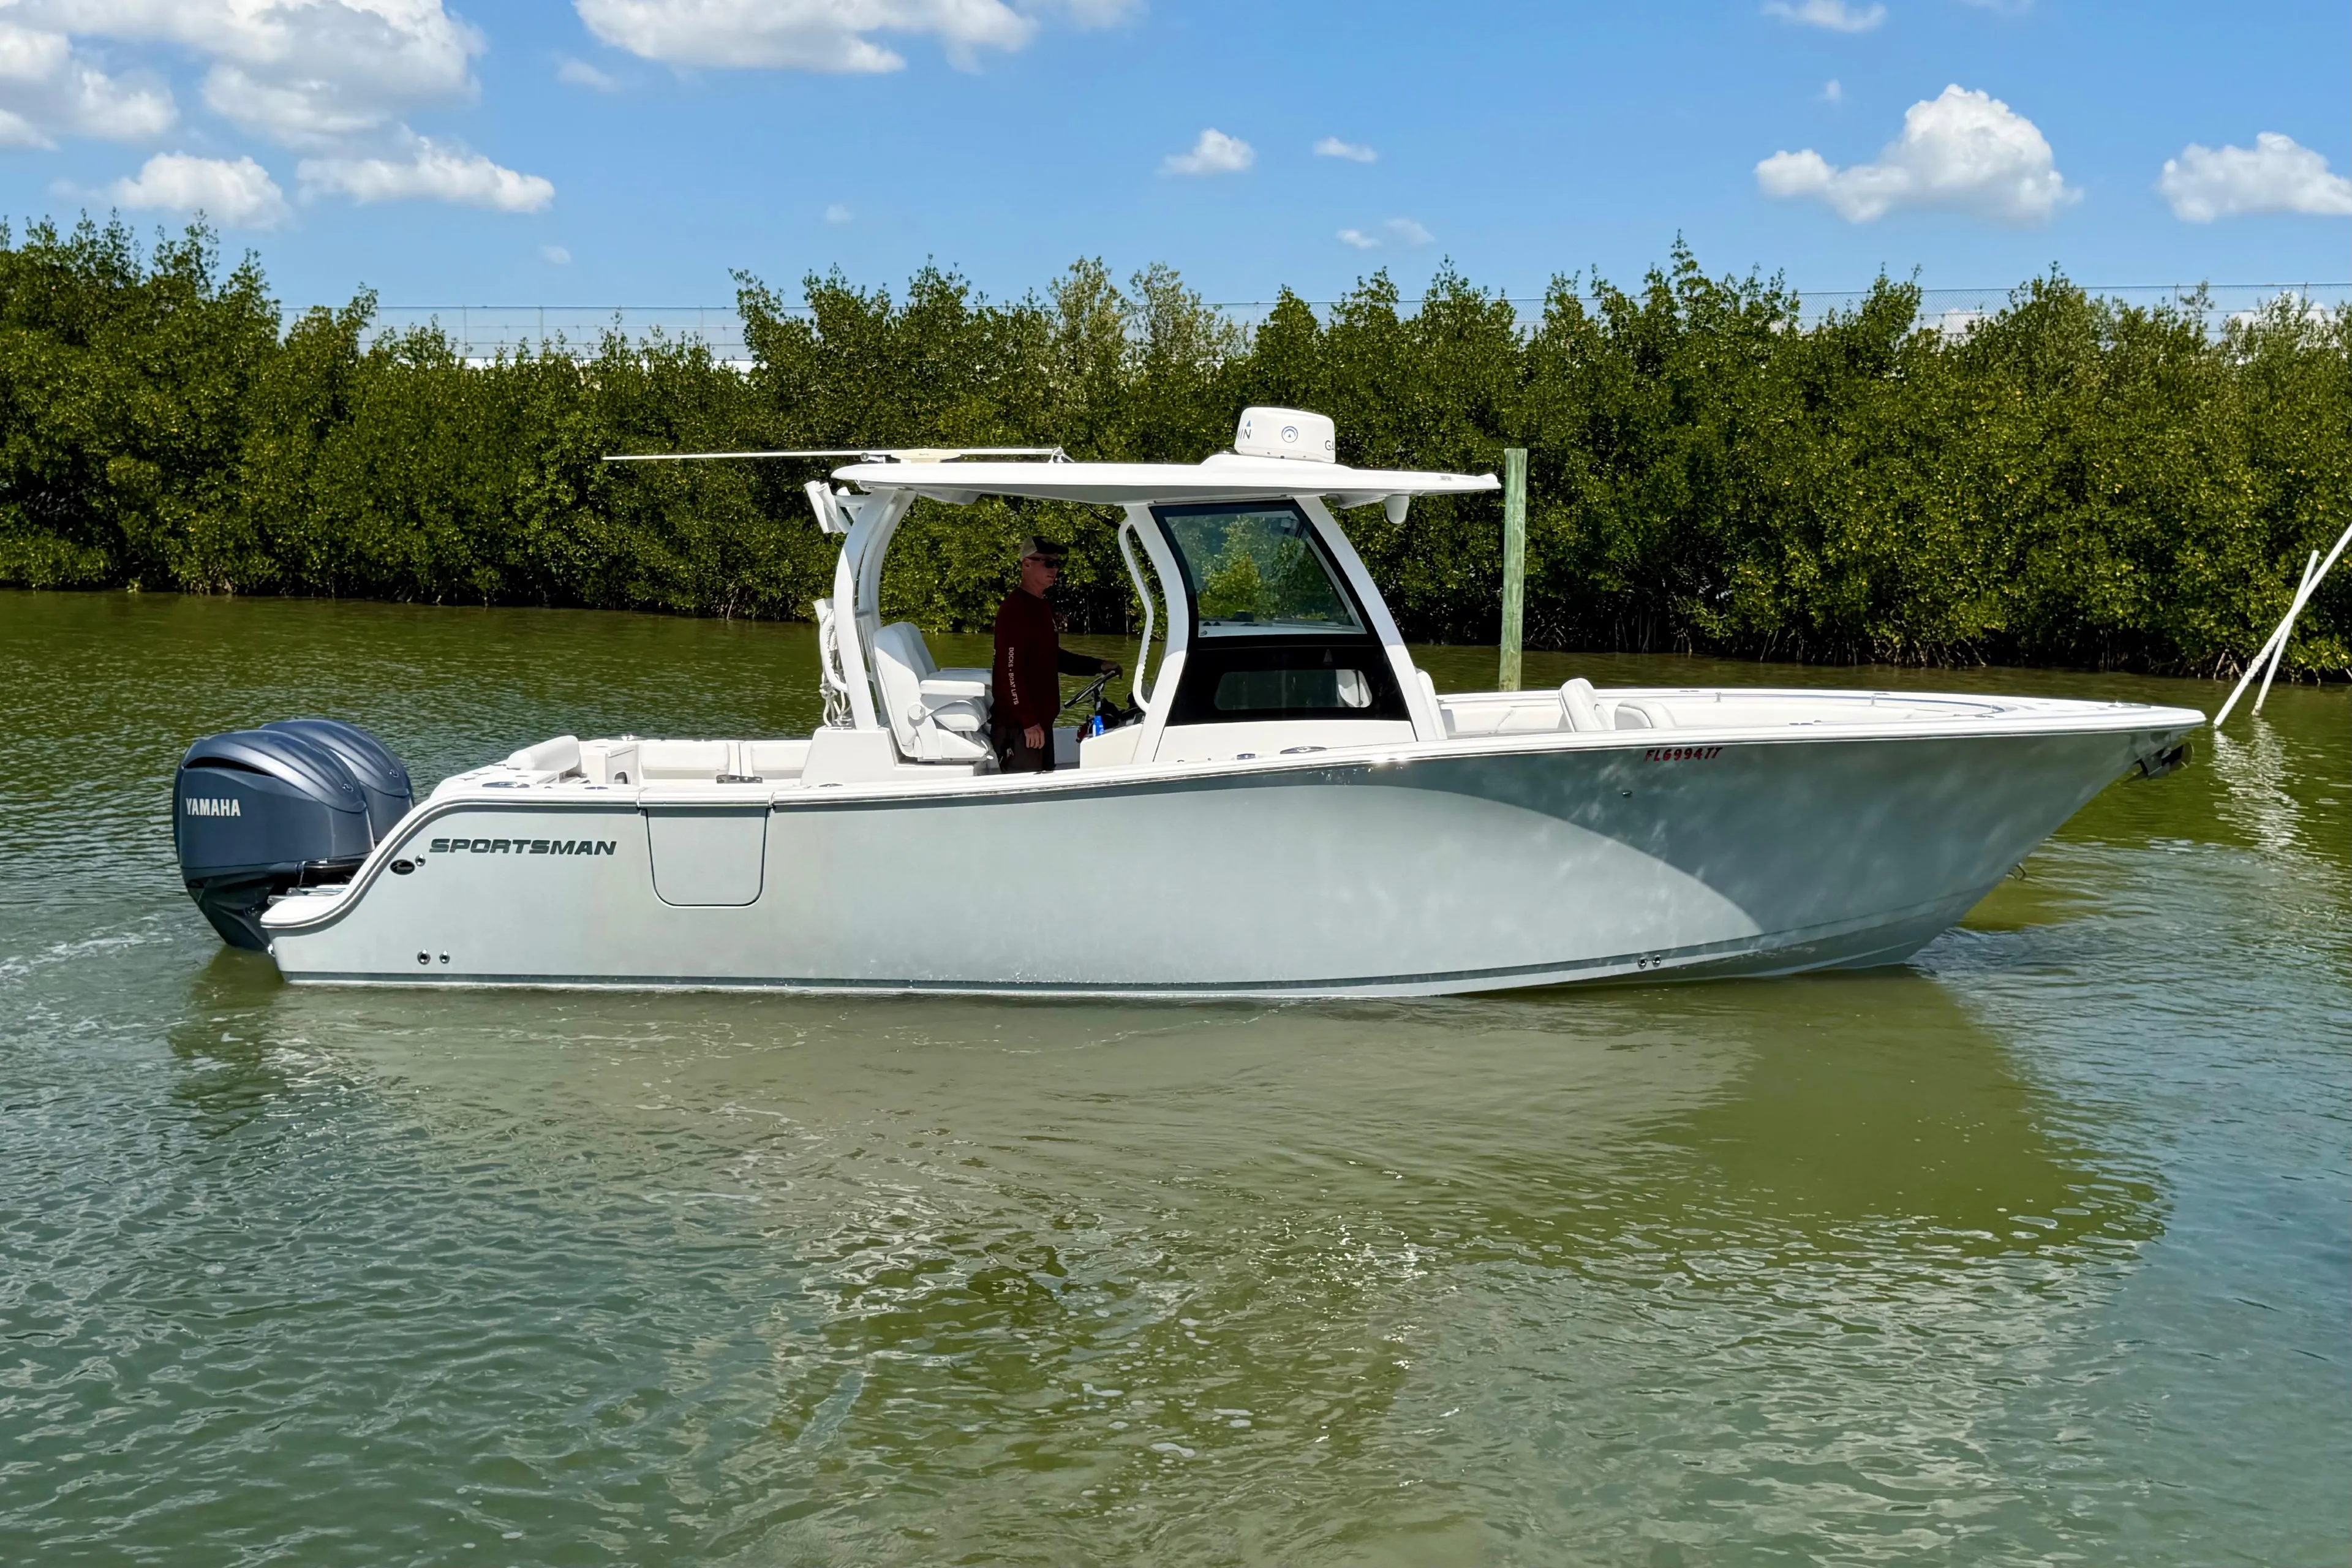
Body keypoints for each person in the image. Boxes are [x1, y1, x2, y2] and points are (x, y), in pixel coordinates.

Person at [992, 537, 1117, 774]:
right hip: (1020, 728)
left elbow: (1052, 657)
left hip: (1040, 723)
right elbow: (1008, 671)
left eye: (1058, 564)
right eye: (1048, 563)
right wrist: (1028, 721)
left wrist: (1098, 665)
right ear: (1027, 564)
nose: (1055, 569)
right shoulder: (1015, 609)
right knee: (1027, 799)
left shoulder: (1041, 606)